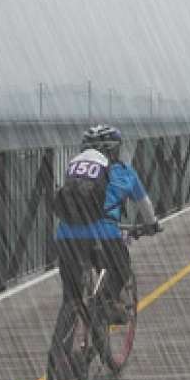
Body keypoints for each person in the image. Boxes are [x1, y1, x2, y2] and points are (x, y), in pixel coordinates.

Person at [53, 124, 159, 323]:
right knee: (121, 266)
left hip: (66, 235)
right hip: (104, 234)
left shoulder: (77, 170)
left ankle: (62, 342)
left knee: (71, 295)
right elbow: (144, 205)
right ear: (115, 149)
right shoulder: (125, 172)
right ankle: (108, 302)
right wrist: (151, 224)